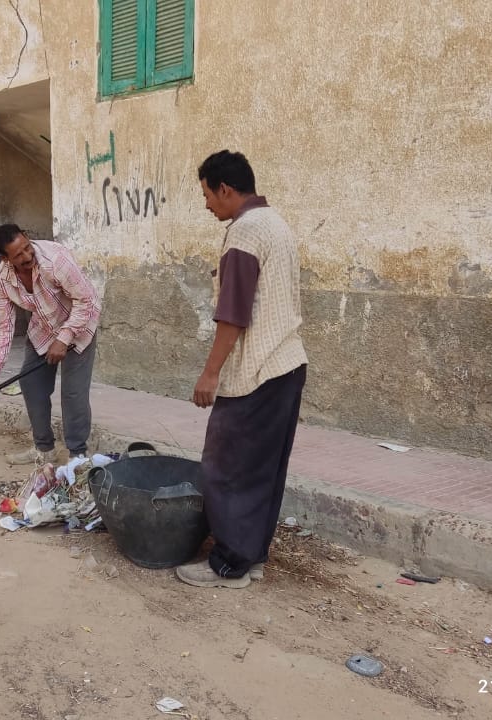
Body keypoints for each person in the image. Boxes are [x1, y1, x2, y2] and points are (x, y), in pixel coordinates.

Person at [176, 150, 309, 589]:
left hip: (257, 372)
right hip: (287, 365)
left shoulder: (245, 235)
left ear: (226, 189)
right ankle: (251, 556)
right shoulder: (275, 224)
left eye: (207, 195)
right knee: (263, 469)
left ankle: (229, 563)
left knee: (224, 466)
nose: (206, 204)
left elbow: (233, 314)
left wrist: (210, 373)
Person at [0, 224, 102, 465]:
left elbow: (87, 300)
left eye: (27, 247)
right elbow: (3, 326)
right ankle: (44, 450)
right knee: (31, 383)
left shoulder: (55, 259)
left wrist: (64, 338)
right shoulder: (2, 279)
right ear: (5, 259)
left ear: (28, 238)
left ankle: (78, 456)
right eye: (18, 255)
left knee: (73, 393)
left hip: (80, 324)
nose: (27, 256)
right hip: (43, 328)